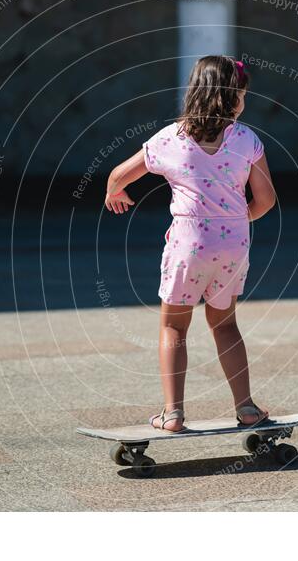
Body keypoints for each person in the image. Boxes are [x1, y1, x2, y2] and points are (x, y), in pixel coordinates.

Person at [104, 55, 276, 432]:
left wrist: (113, 192)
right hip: (233, 247)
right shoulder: (247, 139)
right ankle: (246, 407)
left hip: (188, 247)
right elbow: (265, 200)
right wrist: (232, 219)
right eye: (243, 95)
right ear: (234, 99)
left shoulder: (170, 138)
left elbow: (120, 174)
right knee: (225, 325)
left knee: (174, 328)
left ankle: (172, 414)